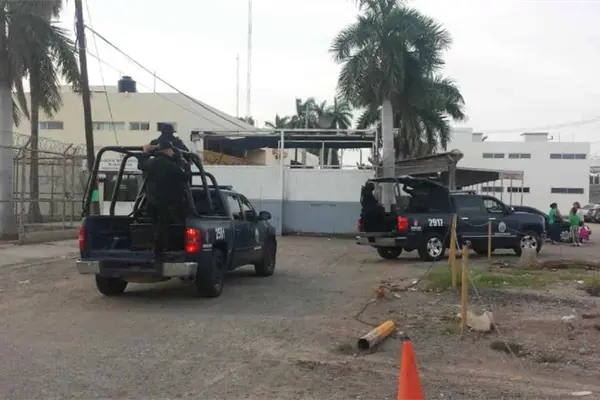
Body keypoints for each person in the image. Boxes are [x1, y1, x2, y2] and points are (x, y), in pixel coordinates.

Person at [139, 140, 191, 258]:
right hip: (166, 202)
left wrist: (145, 152)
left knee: (155, 225)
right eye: (171, 150)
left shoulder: (152, 163)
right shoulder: (170, 165)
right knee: (162, 226)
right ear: (167, 150)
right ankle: (159, 251)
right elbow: (185, 177)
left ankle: (153, 247)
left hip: (151, 202)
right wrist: (187, 167)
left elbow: (141, 165)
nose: (173, 152)